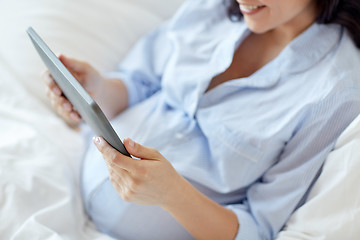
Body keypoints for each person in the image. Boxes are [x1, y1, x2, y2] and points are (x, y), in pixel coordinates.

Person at [43, 0, 360, 239]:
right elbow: (141, 83)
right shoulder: (212, 9)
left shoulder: (336, 92)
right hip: (68, 186)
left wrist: (172, 195)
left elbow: (259, 227)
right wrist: (95, 89)